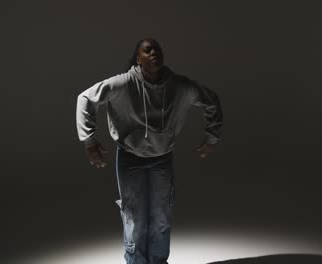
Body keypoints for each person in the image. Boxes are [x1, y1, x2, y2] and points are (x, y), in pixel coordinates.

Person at [76, 37, 223, 264]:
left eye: (157, 49)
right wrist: (89, 141)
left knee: (161, 217)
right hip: (130, 159)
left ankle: (158, 261)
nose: (154, 52)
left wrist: (212, 136)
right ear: (138, 58)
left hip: (161, 159)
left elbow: (211, 99)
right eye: (147, 50)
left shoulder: (178, 86)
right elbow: (85, 98)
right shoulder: (123, 84)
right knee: (134, 219)